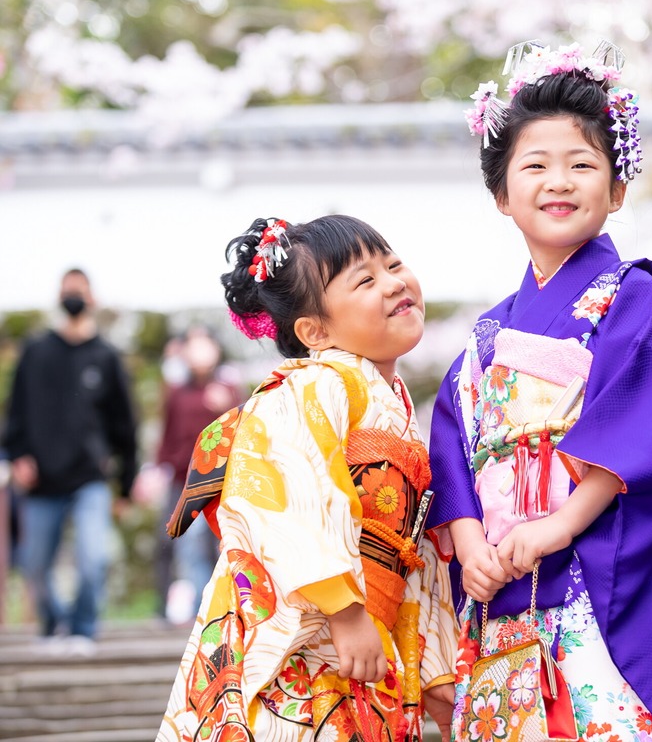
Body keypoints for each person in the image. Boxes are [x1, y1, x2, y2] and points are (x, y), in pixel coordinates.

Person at [427, 42, 652, 741]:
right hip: (503, 578)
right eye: (534, 166)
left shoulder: (630, 297)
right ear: (502, 194)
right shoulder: (487, 333)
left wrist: (560, 525)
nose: (558, 181)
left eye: (582, 165)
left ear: (617, 190)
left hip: (597, 565)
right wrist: (470, 546)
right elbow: (453, 441)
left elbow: (641, 424)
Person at [156, 214, 457, 742]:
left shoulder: (394, 405)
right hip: (308, 635)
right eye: (365, 280)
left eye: (393, 264)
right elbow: (290, 496)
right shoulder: (311, 387)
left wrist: (435, 667)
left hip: (366, 636)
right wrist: (343, 611)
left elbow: (409, 550)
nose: (393, 283)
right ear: (314, 332)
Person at [2, 267, 138, 656]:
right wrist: (17, 456)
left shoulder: (106, 357)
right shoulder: (36, 351)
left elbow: (125, 426)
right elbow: (16, 412)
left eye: (79, 291)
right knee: (34, 567)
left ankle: (82, 628)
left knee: (93, 557)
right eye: (67, 291)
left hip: (88, 480)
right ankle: (53, 623)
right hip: (40, 480)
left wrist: (125, 486)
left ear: (91, 298)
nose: (73, 297)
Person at [152, 328, 242, 624]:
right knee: (181, 544)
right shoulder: (177, 391)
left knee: (212, 546)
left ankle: (213, 610)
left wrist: (225, 405)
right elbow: (167, 435)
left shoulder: (227, 388)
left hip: (220, 483)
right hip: (182, 481)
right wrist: (158, 468)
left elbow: (243, 428)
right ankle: (195, 610)